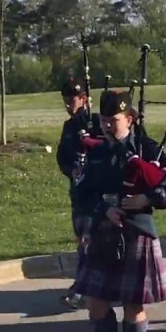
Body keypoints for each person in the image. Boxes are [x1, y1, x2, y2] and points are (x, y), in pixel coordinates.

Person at [71, 90, 166, 332]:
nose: (108, 126)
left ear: (130, 119)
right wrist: (102, 209)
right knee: (96, 302)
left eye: (115, 121)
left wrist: (148, 198)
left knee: (133, 305)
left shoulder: (145, 147)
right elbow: (81, 192)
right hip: (101, 231)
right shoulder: (94, 151)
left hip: (136, 230)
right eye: (105, 120)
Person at [55, 77, 97, 310]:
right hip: (79, 193)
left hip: (96, 193)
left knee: (89, 242)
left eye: (72, 98)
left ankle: (82, 289)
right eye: (65, 99)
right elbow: (62, 157)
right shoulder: (68, 127)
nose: (68, 103)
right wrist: (71, 169)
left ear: (84, 99)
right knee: (83, 240)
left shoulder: (96, 122)